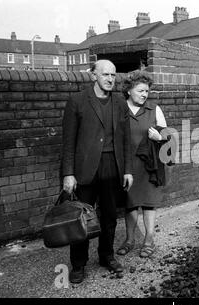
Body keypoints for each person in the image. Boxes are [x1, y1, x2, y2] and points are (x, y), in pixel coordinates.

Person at [61, 60, 133, 284]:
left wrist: (128, 170)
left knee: (109, 216)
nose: (110, 79)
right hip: (85, 169)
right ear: (93, 76)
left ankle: (106, 256)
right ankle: (78, 265)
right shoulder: (77, 101)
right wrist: (68, 173)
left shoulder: (120, 102)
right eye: (105, 75)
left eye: (113, 75)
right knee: (81, 219)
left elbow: (126, 139)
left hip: (113, 166)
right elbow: (68, 141)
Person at [116, 71, 168, 258]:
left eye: (147, 91)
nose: (145, 94)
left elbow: (169, 138)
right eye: (140, 90)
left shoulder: (154, 110)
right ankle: (129, 240)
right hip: (127, 166)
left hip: (149, 165)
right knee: (129, 204)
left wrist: (160, 137)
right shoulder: (119, 110)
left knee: (148, 204)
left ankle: (149, 240)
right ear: (129, 90)